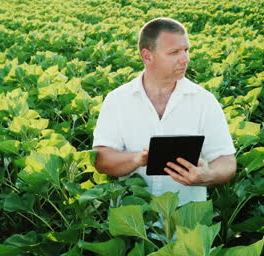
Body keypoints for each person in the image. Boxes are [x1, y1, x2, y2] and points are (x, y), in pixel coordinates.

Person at [92, 17, 236, 205]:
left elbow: (226, 160)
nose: (185, 59)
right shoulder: (118, 100)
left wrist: (207, 175)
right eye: (174, 52)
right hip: (132, 224)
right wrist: (138, 158)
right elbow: (101, 160)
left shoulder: (204, 101)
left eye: (186, 50)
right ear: (147, 56)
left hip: (188, 224)